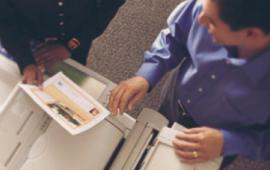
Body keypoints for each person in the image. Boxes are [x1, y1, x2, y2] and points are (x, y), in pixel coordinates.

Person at [109, 0, 270, 168]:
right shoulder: (207, 6)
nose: (200, 19)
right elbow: (175, 36)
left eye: (211, 22)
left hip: (216, 142)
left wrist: (229, 142)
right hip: (173, 103)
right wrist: (147, 74)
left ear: (252, 34)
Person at [0, 0, 124, 85]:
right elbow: (5, 22)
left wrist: (71, 45)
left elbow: (107, 9)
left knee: (72, 85)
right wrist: (26, 62)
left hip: (76, 35)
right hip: (28, 39)